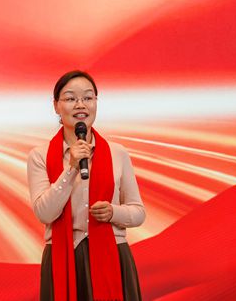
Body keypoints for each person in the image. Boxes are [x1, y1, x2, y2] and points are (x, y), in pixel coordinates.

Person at [27, 70, 145, 301]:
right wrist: (71, 168)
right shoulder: (39, 156)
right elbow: (44, 213)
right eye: (71, 98)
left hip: (112, 255)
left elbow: (138, 212)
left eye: (88, 98)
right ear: (56, 106)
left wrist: (114, 212)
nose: (81, 105)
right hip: (63, 258)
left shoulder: (117, 153)